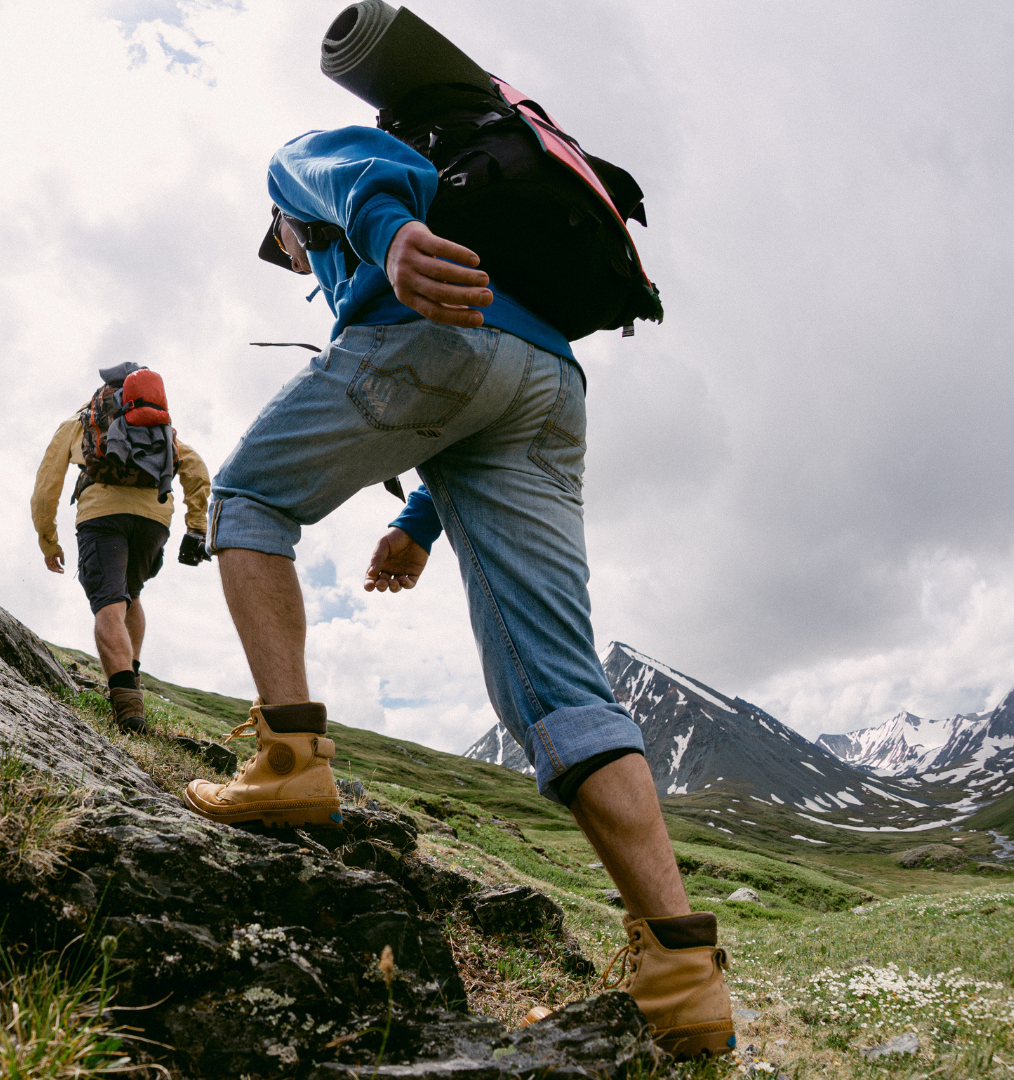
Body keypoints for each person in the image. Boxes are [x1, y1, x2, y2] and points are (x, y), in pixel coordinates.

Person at [179, 126, 734, 1057]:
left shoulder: (297, 172)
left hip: (431, 337)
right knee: (559, 688)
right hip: (548, 382)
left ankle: (287, 764)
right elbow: (480, 401)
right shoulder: (495, 247)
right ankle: (685, 982)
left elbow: (361, 168)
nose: (290, 258)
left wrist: (392, 238)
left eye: (282, 248)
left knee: (247, 501)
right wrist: (418, 523)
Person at [32, 363, 212, 733]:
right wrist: (196, 525)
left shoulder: (82, 422)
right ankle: (133, 678)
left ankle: (128, 710)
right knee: (132, 593)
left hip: (102, 516)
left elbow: (47, 483)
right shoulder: (159, 426)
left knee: (109, 604)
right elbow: (196, 469)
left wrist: (48, 539)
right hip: (154, 520)